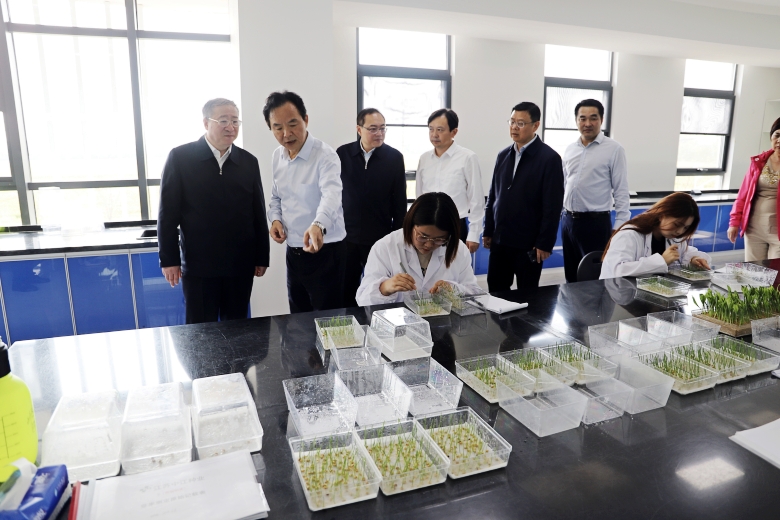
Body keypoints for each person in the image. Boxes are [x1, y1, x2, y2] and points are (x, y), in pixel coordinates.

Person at [157, 98, 269, 324]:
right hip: (199, 266)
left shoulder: (248, 162)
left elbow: (258, 213)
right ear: (206, 123)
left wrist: (261, 257)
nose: (231, 127)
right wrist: (169, 260)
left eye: (235, 121)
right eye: (223, 121)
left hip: (240, 265)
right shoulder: (180, 158)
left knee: (237, 329)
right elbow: (167, 215)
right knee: (199, 331)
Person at [265, 91, 347, 313]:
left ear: (306, 120)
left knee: (329, 320)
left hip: (326, 251)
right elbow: (276, 197)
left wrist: (318, 225)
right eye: (278, 127)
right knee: (298, 319)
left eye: (293, 124)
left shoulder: (325, 155)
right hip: (294, 251)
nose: (286, 134)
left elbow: (332, 195)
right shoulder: (277, 156)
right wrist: (275, 220)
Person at [483, 101, 564, 291]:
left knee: (528, 295)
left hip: (529, 244)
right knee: (496, 290)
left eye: (520, 123)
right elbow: (493, 196)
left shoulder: (549, 158)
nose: (514, 127)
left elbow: (552, 207)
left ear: (535, 125)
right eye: (512, 122)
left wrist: (544, 243)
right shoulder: (503, 155)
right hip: (500, 240)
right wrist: (488, 230)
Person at [355, 192, 481, 306]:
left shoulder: (458, 249)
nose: (429, 244)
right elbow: (363, 299)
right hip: (398, 321)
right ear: (410, 225)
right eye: (423, 237)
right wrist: (384, 288)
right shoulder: (386, 246)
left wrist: (454, 289)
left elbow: (475, 293)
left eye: (439, 239)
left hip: (444, 320)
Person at [337, 108, 407, 307]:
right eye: (373, 129)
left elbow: (399, 203)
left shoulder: (394, 157)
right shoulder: (343, 154)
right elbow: (332, 195)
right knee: (345, 292)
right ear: (359, 129)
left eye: (383, 128)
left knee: (378, 292)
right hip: (346, 238)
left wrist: (398, 237)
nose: (379, 133)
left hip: (379, 239)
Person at [561, 99, 630, 283]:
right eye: (582, 118)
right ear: (576, 121)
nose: (588, 123)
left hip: (595, 224)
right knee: (571, 277)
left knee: (593, 279)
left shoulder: (614, 149)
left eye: (593, 118)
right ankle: (573, 303)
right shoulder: (570, 150)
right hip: (568, 222)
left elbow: (621, 189)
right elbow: (564, 183)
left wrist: (620, 225)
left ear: (601, 120)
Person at [415, 109, 484, 254]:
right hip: (426, 225)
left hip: (455, 224)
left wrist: (474, 234)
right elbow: (419, 195)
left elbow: (476, 198)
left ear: (454, 132)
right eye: (431, 129)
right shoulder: (424, 158)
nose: (434, 134)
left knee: (453, 266)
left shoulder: (467, 157)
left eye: (440, 130)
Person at [600, 192, 711, 279]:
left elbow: (685, 253)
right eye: (677, 224)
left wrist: (694, 259)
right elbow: (618, 270)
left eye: (686, 228)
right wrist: (661, 261)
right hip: (618, 295)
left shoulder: (673, 238)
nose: (680, 231)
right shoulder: (629, 235)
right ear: (662, 214)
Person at [728, 117, 780, 261]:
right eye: (777, 135)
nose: (779, 140)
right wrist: (734, 223)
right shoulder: (758, 162)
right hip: (754, 228)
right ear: (771, 137)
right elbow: (742, 195)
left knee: (777, 271)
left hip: (778, 231)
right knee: (753, 270)